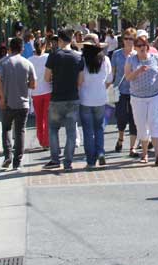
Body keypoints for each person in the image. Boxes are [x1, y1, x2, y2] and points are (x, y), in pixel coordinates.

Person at [0, 36, 36, 170]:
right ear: (22, 48)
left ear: (9, 48)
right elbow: (33, 84)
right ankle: (17, 162)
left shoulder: (2, 62)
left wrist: (2, 96)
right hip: (23, 103)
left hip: (7, 102)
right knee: (20, 131)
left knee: (6, 129)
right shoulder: (27, 63)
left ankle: (8, 156)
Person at [44, 29, 83, 171]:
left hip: (56, 98)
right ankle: (68, 161)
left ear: (60, 40)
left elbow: (46, 78)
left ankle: (55, 158)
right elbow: (81, 81)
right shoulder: (78, 57)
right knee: (71, 132)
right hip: (72, 97)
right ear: (71, 39)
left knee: (53, 129)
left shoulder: (54, 56)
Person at [125, 34, 158, 165]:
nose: (143, 47)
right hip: (138, 98)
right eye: (139, 45)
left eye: (144, 45)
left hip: (155, 96)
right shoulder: (131, 60)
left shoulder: (156, 58)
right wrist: (138, 71)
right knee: (141, 126)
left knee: (155, 124)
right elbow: (128, 78)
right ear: (135, 48)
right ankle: (144, 153)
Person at [79, 34, 112, 169]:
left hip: (85, 99)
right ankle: (100, 152)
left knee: (88, 130)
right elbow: (109, 79)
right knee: (99, 128)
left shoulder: (81, 60)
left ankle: (90, 160)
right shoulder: (105, 60)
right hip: (100, 98)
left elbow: (80, 81)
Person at [110, 28, 138, 154]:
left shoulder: (137, 55)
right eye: (126, 38)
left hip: (135, 91)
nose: (128, 41)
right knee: (121, 117)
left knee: (134, 118)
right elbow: (113, 74)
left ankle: (132, 147)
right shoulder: (116, 54)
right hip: (120, 90)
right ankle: (121, 137)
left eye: (131, 39)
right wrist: (109, 85)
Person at [28, 38, 51, 151]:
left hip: (35, 92)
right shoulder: (48, 58)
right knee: (47, 118)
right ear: (44, 46)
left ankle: (41, 139)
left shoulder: (29, 60)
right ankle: (46, 141)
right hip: (48, 91)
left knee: (39, 118)